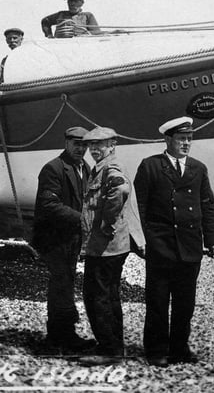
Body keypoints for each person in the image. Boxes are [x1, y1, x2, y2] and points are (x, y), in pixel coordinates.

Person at [134, 116, 214, 367]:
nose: (186, 143)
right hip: (161, 246)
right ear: (168, 139)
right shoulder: (150, 166)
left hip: (190, 246)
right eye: (181, 139)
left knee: (185, 304)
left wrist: (212, 240)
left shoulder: (198, 168)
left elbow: (208, 206)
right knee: (158, 301)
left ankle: (179, 348)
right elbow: (138, 205)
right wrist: (143, 238)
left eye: (189, 139)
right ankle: (156, 350)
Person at [78, 127, 145, 366]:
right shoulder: (102, 167)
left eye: (100, 145)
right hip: (108, 246)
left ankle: (110, 350)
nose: (94, 150)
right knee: (108, 296)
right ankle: (114, 346)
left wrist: (107, 221)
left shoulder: (110, 168)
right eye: (91, 146)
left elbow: (120, 189)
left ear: (112, 145)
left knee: (98, 297)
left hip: (106, 245)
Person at [31, 126, 95, 354]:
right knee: (61, 282)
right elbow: (49, 205)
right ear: (66, 142)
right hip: (53, 238)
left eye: (85, 144)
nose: (81, 148)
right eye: (76, 143)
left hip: (71, 237)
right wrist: (83, 219)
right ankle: (59, 338)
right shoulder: (53, 169)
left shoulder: (85, 168)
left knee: (66, 282)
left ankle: (63, 334)